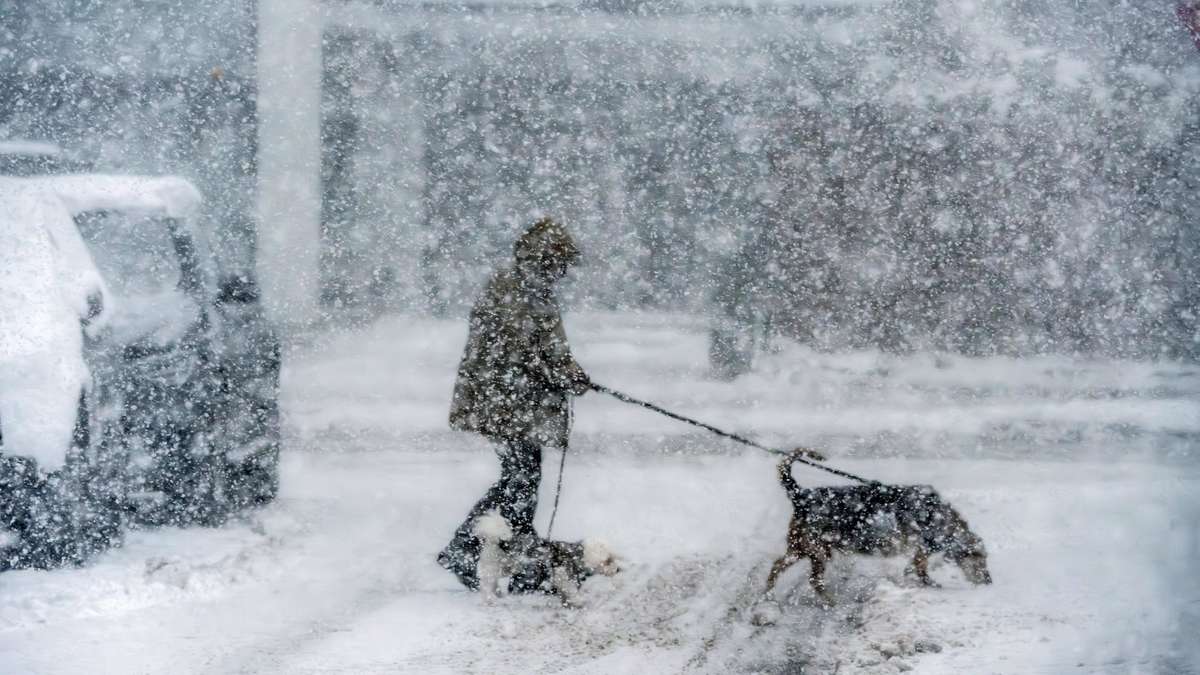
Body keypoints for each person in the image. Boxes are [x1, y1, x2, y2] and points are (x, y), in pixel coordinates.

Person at [437, 217, 590, 589]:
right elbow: (520, 349)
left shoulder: (531, 289)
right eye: (558, 263)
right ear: (543, 259)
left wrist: (569, 371)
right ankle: (477, 548)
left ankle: (499, 548)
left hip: (516, 400)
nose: (562, 272)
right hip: (505, 400)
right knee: (521, 478)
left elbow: (544, 346)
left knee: (520, 477)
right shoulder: (513, 288)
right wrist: (562, 374)